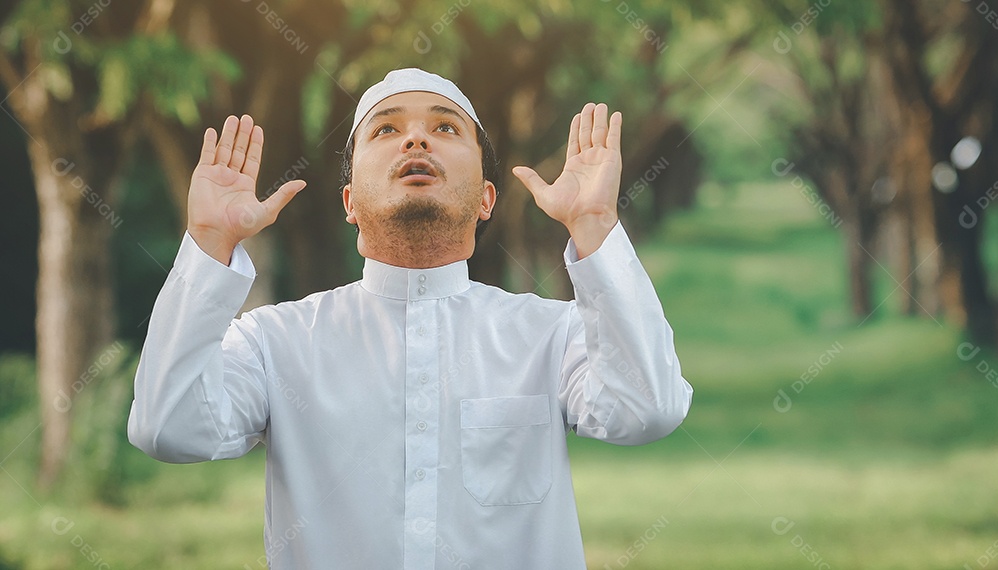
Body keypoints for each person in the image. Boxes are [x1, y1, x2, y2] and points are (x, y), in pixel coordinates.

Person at [128, 68, 692, 569]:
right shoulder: (275, 342)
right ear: (349, 201)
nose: (417, 137)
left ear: (487, 199)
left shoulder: (550, 335)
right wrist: (207, 244)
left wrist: (594, 224)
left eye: (446, 128)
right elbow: (169, 428)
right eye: (386, 129)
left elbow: (647, 410)